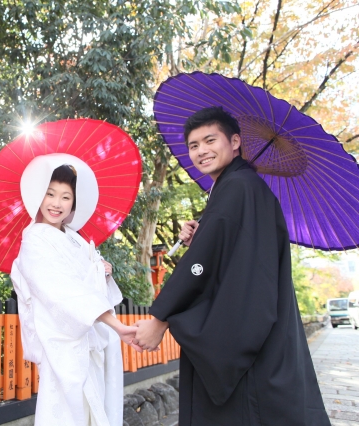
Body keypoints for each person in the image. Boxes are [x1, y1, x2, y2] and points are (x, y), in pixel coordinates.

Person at [133, 107, 330, 425]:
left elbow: (202, 265)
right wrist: (202, 237)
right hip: (263, 327)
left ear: (235, 141)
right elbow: (228, 253)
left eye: (210, 140)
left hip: (245, 340)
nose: (201, 151)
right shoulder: (243, 187)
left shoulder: (237, 188)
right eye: (193, 145)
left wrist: (160, 317)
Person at [11, 157, 141, 426]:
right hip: (63, 341)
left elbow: (86, 283)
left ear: (74, 202)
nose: (56, 204)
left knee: (95, 408)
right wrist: (115, 324)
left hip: (91, 338)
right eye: (50, 194)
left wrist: (101, 271)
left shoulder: (74, 238)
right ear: (38, 195)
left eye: (65, 197)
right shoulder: (34, 240)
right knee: (68, 412)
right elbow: (62, 291)